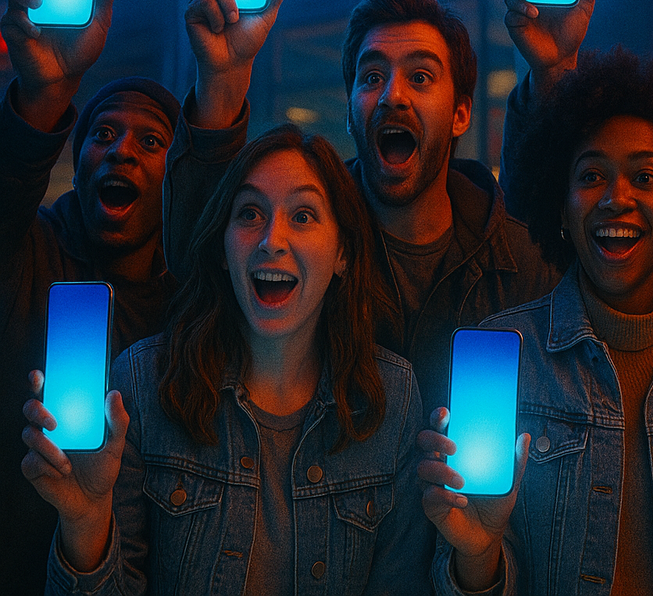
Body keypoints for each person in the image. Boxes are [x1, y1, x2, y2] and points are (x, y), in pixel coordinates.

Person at [418, 49, 653, 595]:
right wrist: (476, 554)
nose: (618, 199)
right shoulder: (503, 354)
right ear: (560, 208)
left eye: (645, 176)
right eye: (591, 175)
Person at [21, 124, 433, 595]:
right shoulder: (145, 383)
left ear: (342, 253)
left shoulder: (391, 398)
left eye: (303, 216)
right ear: (222, 246)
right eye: (250, 213)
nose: (271, 240)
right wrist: (85, 520)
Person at [167, 0, 558, 410]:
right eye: (372, 77)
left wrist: (552, 71)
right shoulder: (306, 238)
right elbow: (198, 266)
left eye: (420, 77)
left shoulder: (519, 261)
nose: (393, 95)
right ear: (351, 114)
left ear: (460, 115)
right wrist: (221, 78)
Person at [0, 0, 181, 592]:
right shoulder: (30, 249)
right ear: (77, 164)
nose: (121, 151)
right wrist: (46, 91)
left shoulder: (189, 298)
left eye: (151, 141)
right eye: (101, 135)